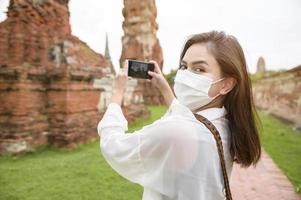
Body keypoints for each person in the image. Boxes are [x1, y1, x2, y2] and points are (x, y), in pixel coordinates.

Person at [97, 30, 261, 200]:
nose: (185, 75)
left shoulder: (177, 131)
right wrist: (164, 88)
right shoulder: (224, 124)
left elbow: (113, 145)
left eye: (199, 69)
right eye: (184, 66)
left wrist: (116, 94)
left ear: (226, 84)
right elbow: (190, 119)